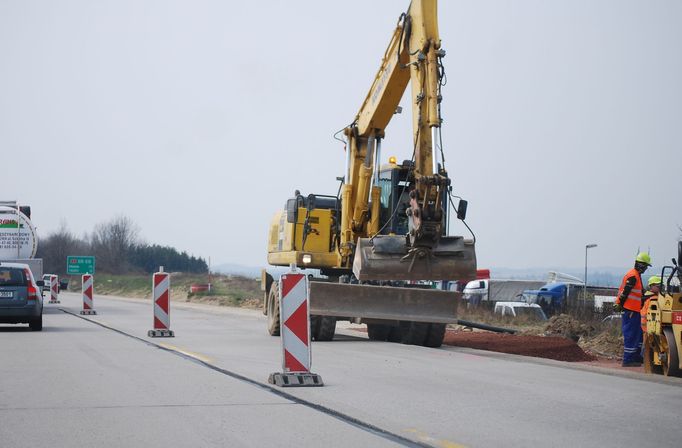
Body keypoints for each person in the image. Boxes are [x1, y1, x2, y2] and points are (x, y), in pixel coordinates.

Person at [614, 252, 651, 367]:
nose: (645, 269)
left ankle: (635, 356)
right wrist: (619, 304)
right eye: (645, 266)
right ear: (641, 265)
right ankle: (628, 359)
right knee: (631, 334)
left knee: (637, 334)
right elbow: (625, 292)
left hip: (635, 310)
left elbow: (639, 293)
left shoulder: (636, 276)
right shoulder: (633, 276)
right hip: (630, 310)